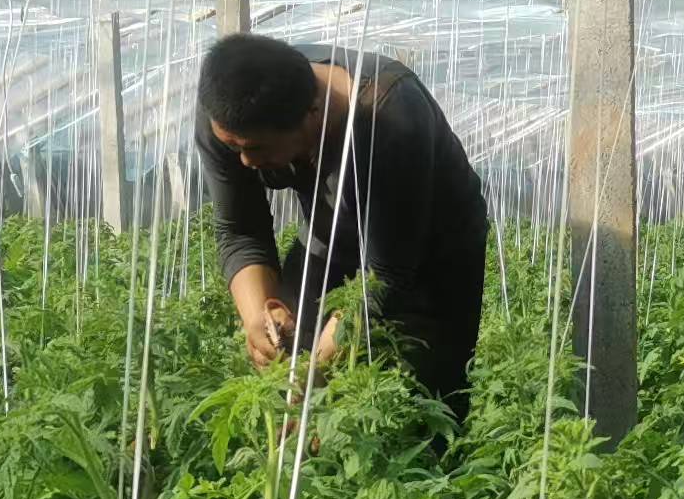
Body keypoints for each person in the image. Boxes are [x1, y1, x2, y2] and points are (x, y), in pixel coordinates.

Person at [197, 32, 489, 439]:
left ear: (312, 115)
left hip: (433, 251)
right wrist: (258, 319)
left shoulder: (391, 116)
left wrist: (317, 375)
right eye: (233, 147)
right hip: (333, 233)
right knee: (291, 351)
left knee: (419, 399)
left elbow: (386, 276)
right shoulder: (232, 111)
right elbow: (241, 229)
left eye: (257, 149)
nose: (244, 161)